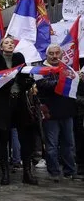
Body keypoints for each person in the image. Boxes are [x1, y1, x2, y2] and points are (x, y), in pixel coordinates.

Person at [0, 36, 38, 185]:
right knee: (3, 139)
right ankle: (5, 174)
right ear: (1, 47)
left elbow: (26, 76)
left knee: (25, 138)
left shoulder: (19, 58)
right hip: (3, 104)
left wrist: (28, 82)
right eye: (6, 43)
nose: (10, 44)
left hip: (20, 102)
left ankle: (27, 173)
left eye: (11, 43)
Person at [36, 44, 83, 182]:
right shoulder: (41, 69)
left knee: (69, 144)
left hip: (67, 111)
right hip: (50, 112)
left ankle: (70, 170)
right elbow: (43, 85)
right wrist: (61, 79)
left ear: (61, 55)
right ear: (47, 55)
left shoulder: (66, 68)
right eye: (51, 53)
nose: (55, 56)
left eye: (57, 53)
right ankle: (54, 172)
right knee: (51, 145)